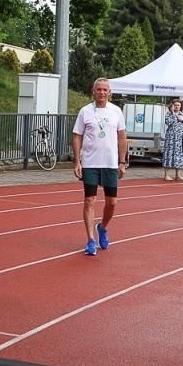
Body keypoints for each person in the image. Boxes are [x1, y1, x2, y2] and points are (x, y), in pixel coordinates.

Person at [72, 78, 128, 254]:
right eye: (99, 89)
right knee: (89, 200)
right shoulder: (85, 112)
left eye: (105, 90)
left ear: (109, 92)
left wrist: (121, 161)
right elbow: (77, 136)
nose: (102, 93)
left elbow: (122, 137)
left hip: (110, 163)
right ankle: (90, 240)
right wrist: (77, 161)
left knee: (112, 202)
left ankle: (102, 227)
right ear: (93, 91)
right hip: (90, 163)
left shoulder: (116, 111)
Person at [160, 98, 183, 182]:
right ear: (172, 106)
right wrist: (175, 116)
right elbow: (168, 122)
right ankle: (166, 175)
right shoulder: (169, 114)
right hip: (171, 138)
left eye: (178, 105)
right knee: (169, 154)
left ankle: (178, 175)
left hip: (180, 138)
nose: (177, 107)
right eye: (175, 105)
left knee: (179, 155)